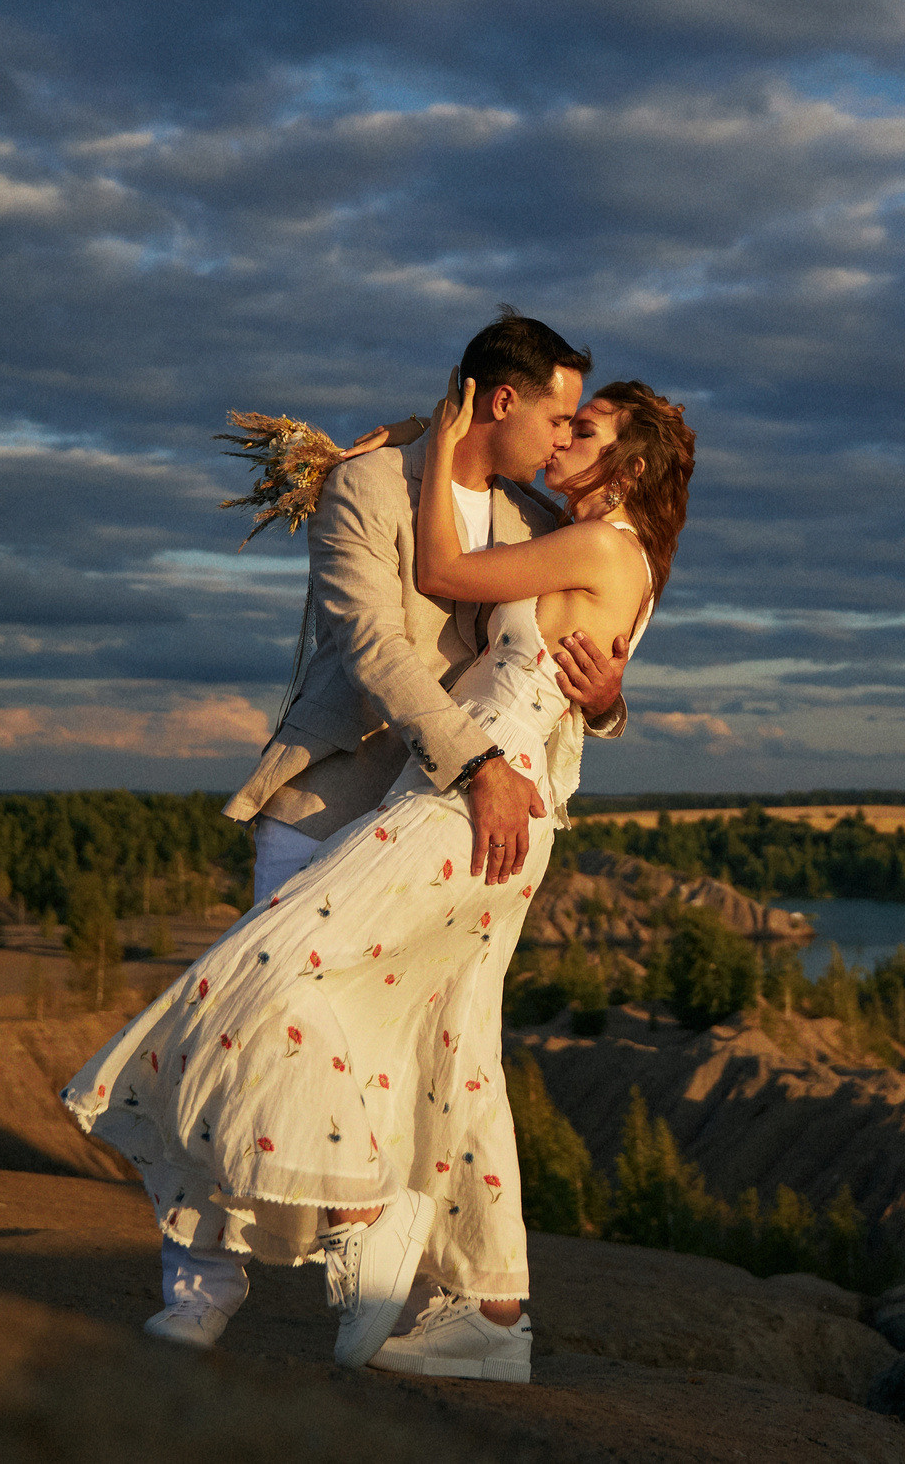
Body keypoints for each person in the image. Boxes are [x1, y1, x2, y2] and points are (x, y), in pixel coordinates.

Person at [61, 356, 695, 1386]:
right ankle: (485, 1312)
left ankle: (368, 1209)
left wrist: (603, 697)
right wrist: (421, 434)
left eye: (582, 427)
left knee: (272, 985)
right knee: (453, 1049)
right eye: (561, 416)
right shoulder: (395, 484)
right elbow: (380, 637)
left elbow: (480, 595)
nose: (563, 434)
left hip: (480, 792)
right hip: (392, 783)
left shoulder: (567, 528)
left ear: (624, 469)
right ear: (500, 400)